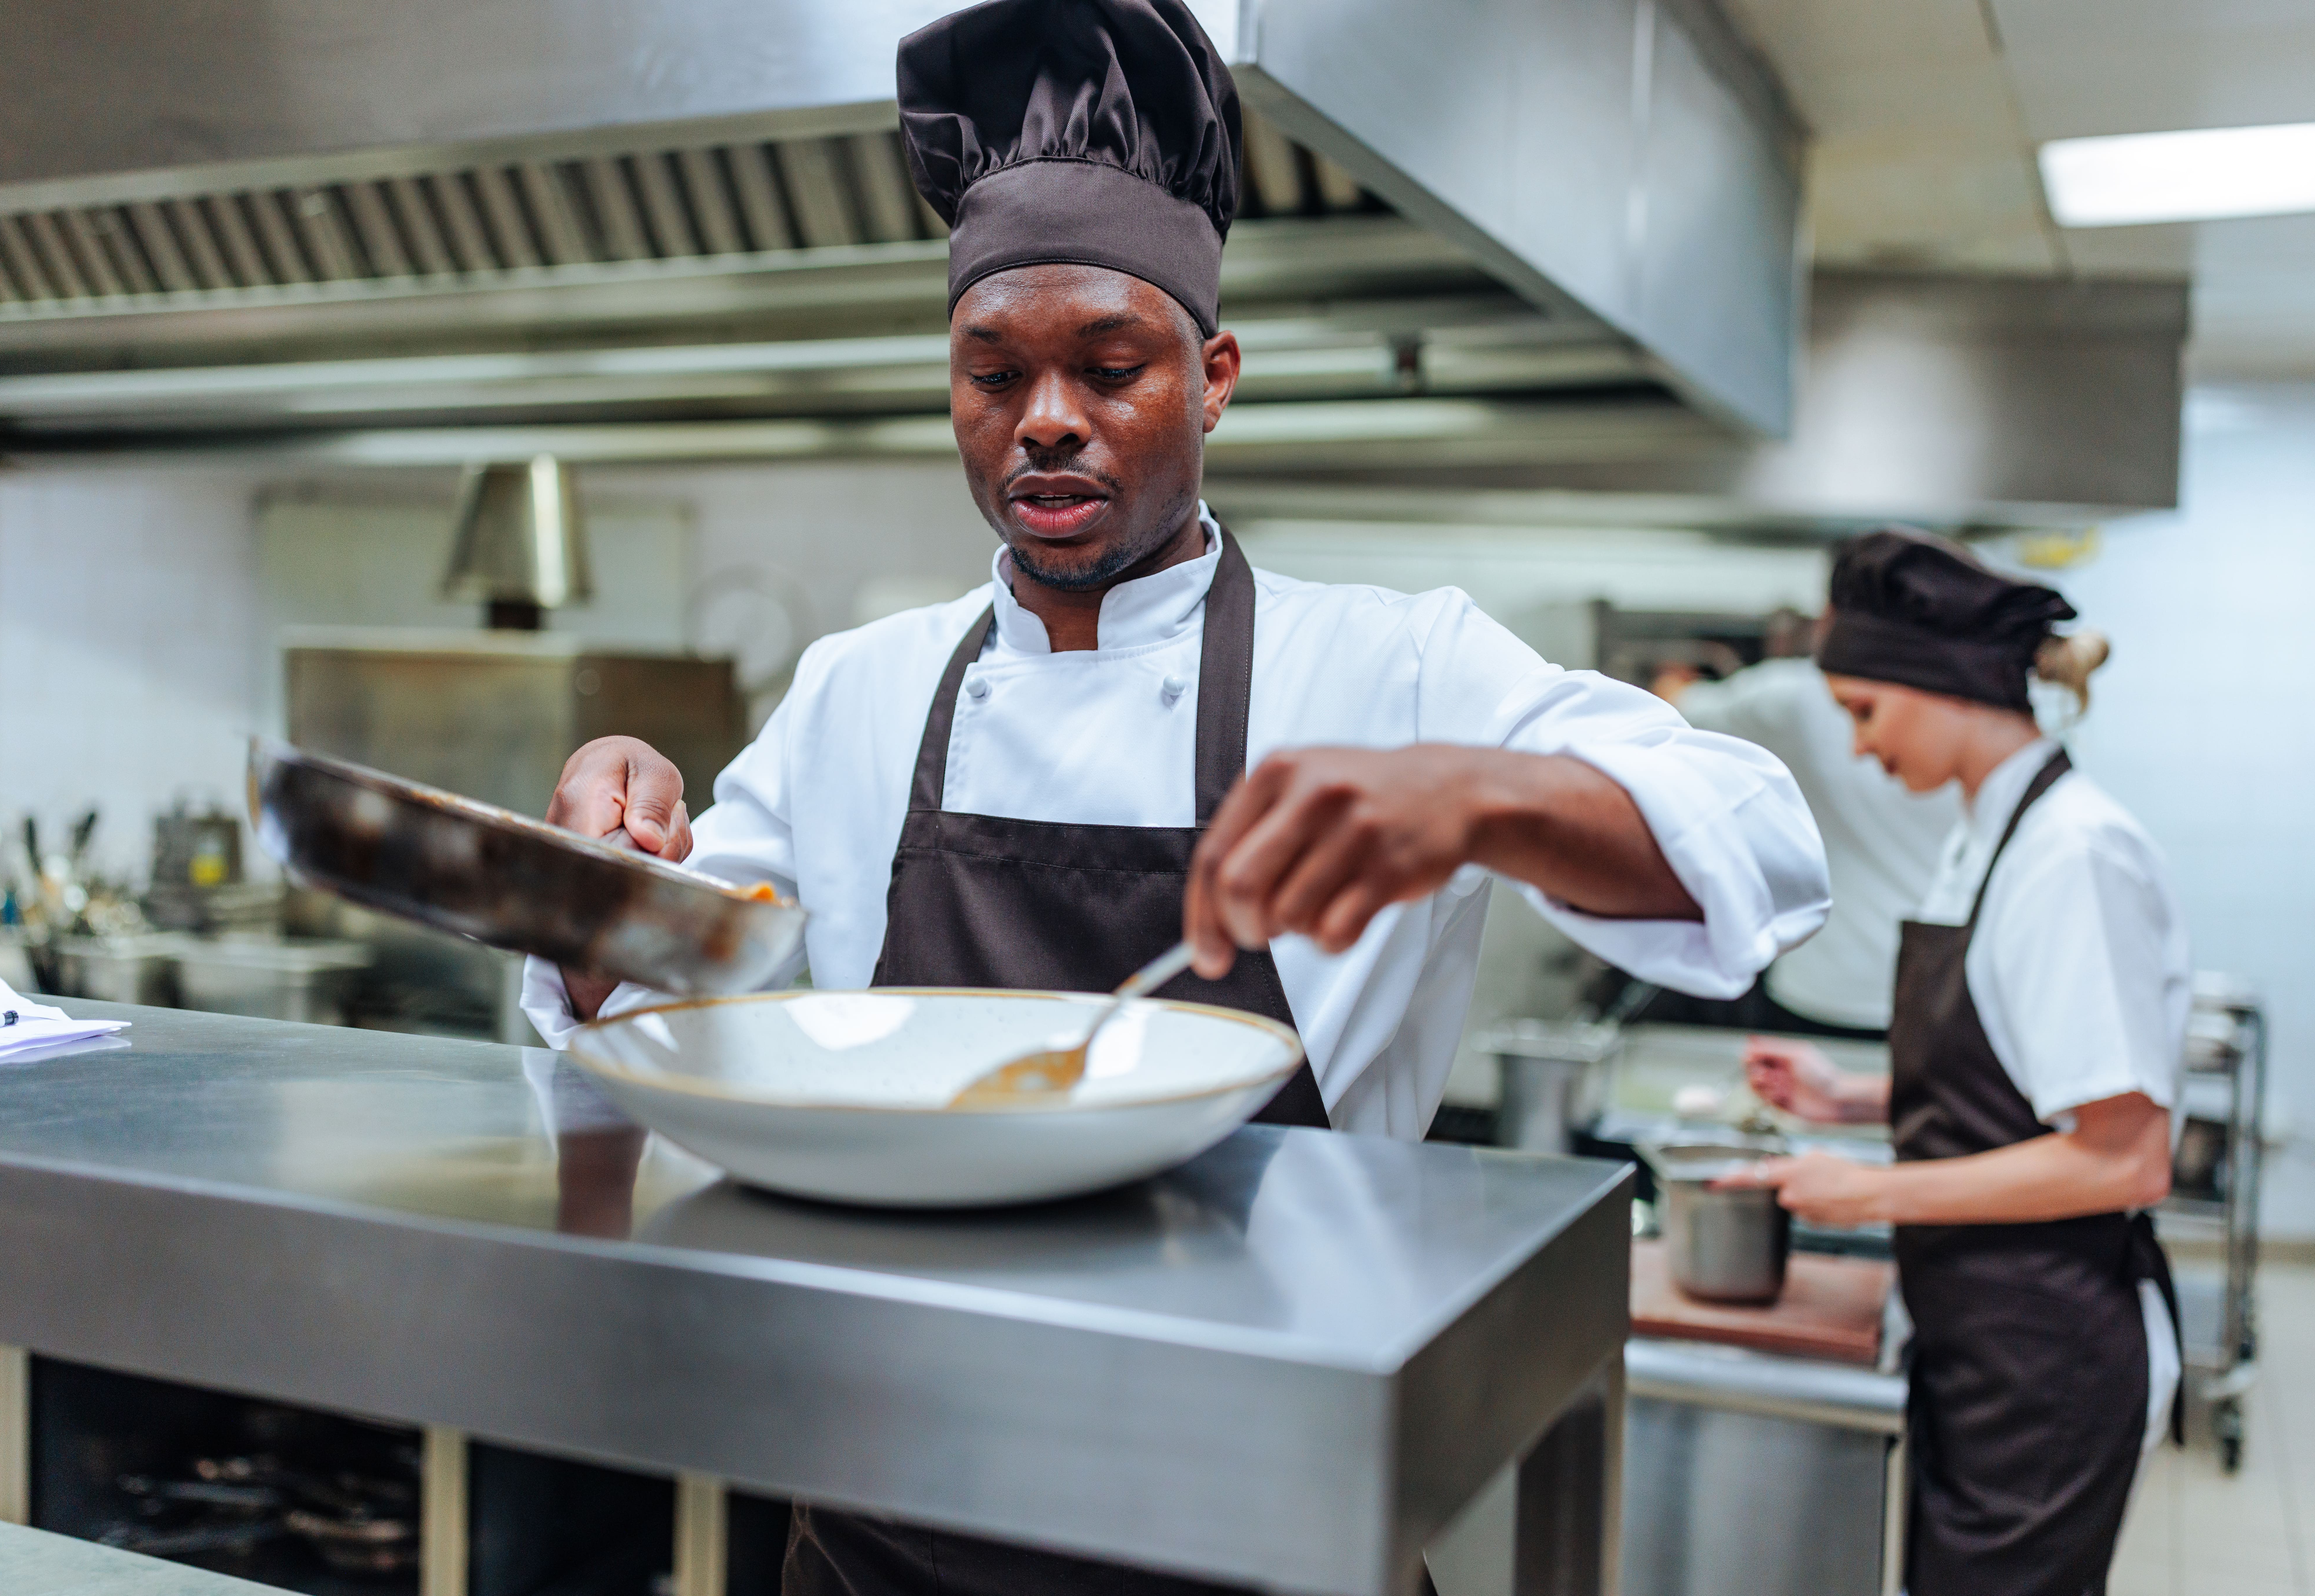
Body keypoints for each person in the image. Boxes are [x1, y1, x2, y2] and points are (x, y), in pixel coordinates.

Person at [526, 1, 1828, 1589]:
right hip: (883, 1512)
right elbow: (672, 981)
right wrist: (596, 871)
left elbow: (1757, 839)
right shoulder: (860, 686)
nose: (1047, 417)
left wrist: (1486, 796)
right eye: (992, 372)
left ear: (1213, 376)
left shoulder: (1396, 664)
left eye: (1110, 363)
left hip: (1263, 1513)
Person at [1732, 527, 2187, 1596]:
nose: (1855, 748)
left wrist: (1872, 1190)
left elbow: (2124, 1158)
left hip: (2049, 1354)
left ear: (1937, 684)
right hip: (1979, 1329)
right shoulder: (1984, 832)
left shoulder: (2072, 852)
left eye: (1863, 712)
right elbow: (2025, 1080)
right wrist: (1850, 1098)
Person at [1653, 611, 1956, 1037]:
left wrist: (1674, 676)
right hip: (1939, 989)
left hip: (1826, 984)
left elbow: (1673, 708)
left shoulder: (1797, 696)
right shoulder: (1966, 712)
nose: (1860, 747)